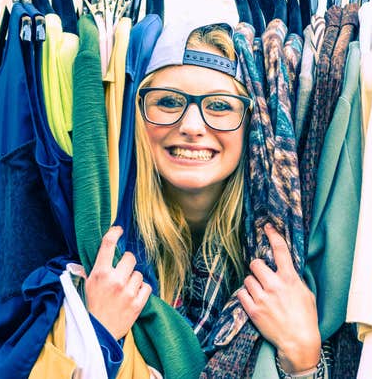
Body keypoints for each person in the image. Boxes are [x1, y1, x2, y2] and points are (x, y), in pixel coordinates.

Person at [82, 21, 326, 377]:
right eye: (168, 101)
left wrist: (305, 360)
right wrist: (96, 339)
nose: (193, 125)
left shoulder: (280, 261)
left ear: (250, 124)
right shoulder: (107, 256)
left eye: (219, 106)